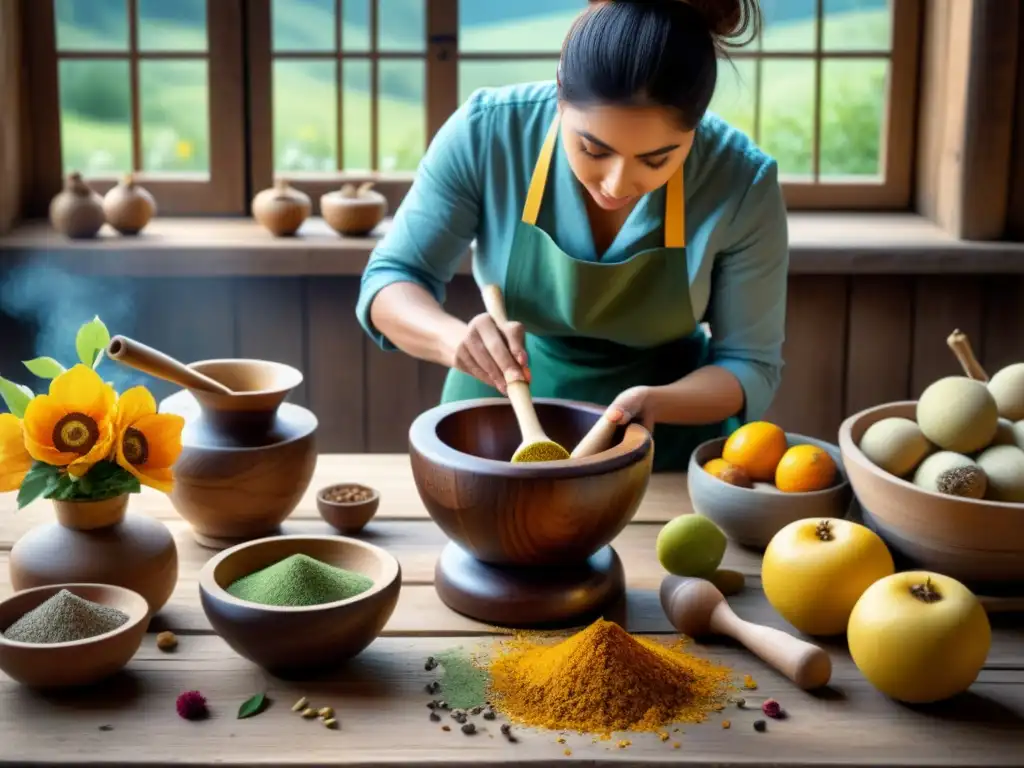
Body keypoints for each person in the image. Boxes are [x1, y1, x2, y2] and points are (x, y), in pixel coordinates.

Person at [355, 0, 788, 472]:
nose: (617, 185)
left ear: (695, 127)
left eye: (657, 160)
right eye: (592, 149)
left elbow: (749, 364)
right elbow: (392, 278)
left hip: (664, 440)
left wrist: (659, 403)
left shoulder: (741, 181)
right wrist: (451, 339)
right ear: (561, 93)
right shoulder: (488, 132)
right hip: (496, 423)